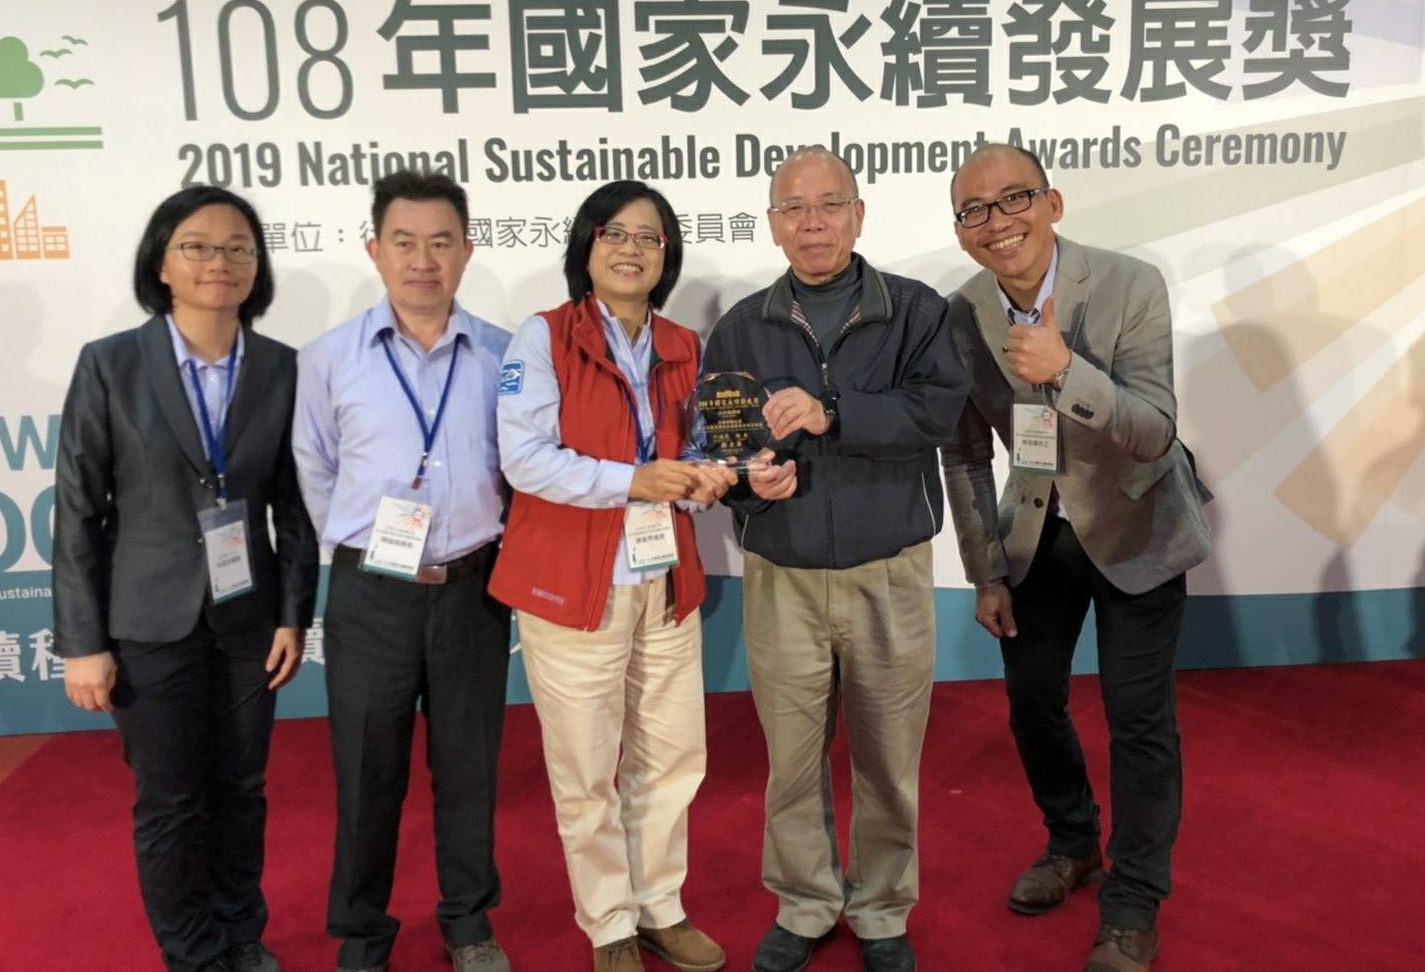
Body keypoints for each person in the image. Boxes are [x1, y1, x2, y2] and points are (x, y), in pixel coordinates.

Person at [939, 144, 1214, 972]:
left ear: (1053, 203)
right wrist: (986, 570)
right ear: (961, 232)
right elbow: (959, 454)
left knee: (1138, 721)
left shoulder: (1129, 284)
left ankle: (1132, 900)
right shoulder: (960, 317)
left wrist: (1067, 371)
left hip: (1139, 528)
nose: (997, 222)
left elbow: (1153, 431)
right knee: (1031, 703)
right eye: (974, 210)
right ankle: (1072, 842)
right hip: (1036, 537)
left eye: (1014, 198)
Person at [700, 146, 967, 972]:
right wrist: (755, 486)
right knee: (791, 757)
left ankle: (883, 909)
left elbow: (936, 411)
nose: (812, 223)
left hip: (889, 571)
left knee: (890, 756)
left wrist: (833, 412)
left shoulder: (917, 310)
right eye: (794, 208)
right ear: (774, 223)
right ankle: (807, 902)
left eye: (828, 205)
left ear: (858, 214)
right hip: (782, 573)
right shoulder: (742, 327)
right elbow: (726, 448)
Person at [53, 185, 318, 972]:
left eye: (240, 247)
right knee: (171, 799)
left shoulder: (281, 367)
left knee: (242, 788)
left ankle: (242, 933)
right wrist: (81, 641)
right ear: (161, 263)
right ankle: (194, 954)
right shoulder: (110, 365)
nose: (221, 262)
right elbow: (76, 509)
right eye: (198, 246)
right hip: (146, 618)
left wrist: (293, 616)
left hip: (250, 621)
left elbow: (295, 510)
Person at [489, 180, 735, 972]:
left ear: (667, 256)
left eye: (649, 237)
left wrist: (708, 476)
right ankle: (608, 925)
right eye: (614, 233)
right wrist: (632, 481)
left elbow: (693, 449)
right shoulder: (545, 337)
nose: (631, 249)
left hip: (665, 579)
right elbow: (524, 460)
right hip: (572, 584)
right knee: (587, 770)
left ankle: (661, 905)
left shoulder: (684, 345)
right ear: (586, 248)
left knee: (671, 755)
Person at [292, 171, 512, 972]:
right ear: (374, 251)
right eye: (405, 242)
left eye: (442, 242)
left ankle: (468, 921)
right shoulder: (328, 359)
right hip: (370, 595)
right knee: (366, 768)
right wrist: (364, 552)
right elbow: (313, 468)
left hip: (473, 592)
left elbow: (520, 467)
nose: (424, 260)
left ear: (467, 250)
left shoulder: (503, 354)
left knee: (468, 768)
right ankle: (360, 928)